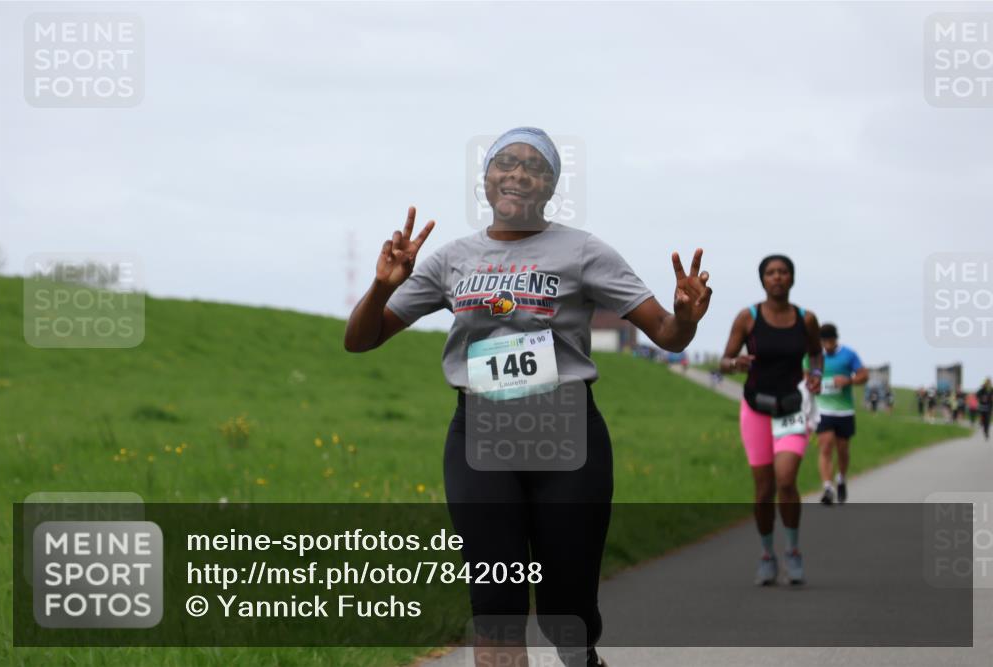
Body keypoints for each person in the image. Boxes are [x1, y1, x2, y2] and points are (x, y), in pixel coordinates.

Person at [344, 127, 713, 667]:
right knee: (496, 605)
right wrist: (382, 286)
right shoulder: (451, 259)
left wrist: (685, 315)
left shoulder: (583, 251)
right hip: (481, 434)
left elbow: (668, 335)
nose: (518, 173)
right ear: (486, 179)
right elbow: (360, 340)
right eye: (506, 163)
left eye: (534, 167)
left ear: (550, 187)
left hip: (566, 434)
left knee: (567, 611)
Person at [719, 254, 822, 585]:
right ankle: (767, 554)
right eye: (771, 273)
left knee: (786, 480)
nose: (777, 277)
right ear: (762, 280)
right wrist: (734, 364)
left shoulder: (806, 319)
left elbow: (817, 352)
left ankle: (792, 551)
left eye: (783, 272)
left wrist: (817, 373)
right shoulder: (747, 318)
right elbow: (724, 359)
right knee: (763, 490)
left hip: (792, 408)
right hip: (756, 409)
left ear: (792, 279)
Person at [803, 324, 867, 506]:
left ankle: (841, 478)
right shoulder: (813, 355)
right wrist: (812, 383)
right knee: (825, 446)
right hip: (823, 410)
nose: (827, 345)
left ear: (835, 339)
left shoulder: (848, 355)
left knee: (843, 449)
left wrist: (848, 380)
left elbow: (864, 375)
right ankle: (827, 487)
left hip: (845, 410)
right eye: (824, 342)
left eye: (830, 341)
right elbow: (805, 376)